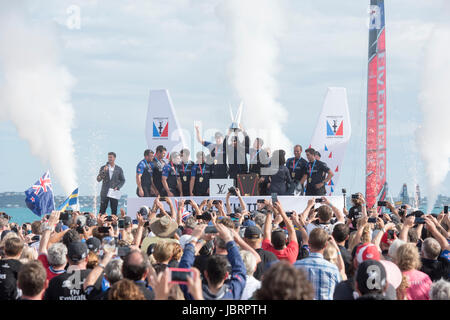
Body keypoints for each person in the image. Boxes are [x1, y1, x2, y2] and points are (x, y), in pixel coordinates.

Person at [179, 223, 247, 300]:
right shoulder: (233, 293)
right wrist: (229, 239)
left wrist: (194, 238)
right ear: (226, 275)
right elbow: (240, 268)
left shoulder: (193, 292)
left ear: (206, 274)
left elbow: (183, 269)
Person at [294, 228, 341, 300]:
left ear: (309, 243)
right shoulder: (333, 269)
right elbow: (339, 291)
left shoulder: (296, 266)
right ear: (326, 245)